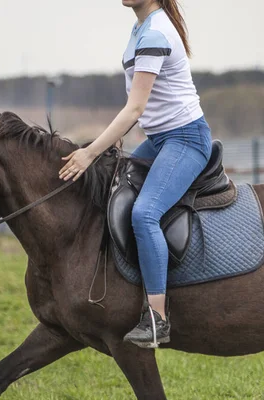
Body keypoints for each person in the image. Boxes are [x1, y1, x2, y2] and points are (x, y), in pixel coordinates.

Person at [59, 0, 212, 347]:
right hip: (160, 141)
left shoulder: (155, 32)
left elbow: (135, 108)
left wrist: (90, 152)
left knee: (145, 214)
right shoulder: (140, 28)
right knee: (111, 185)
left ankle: (157, 319)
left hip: (186, 140)